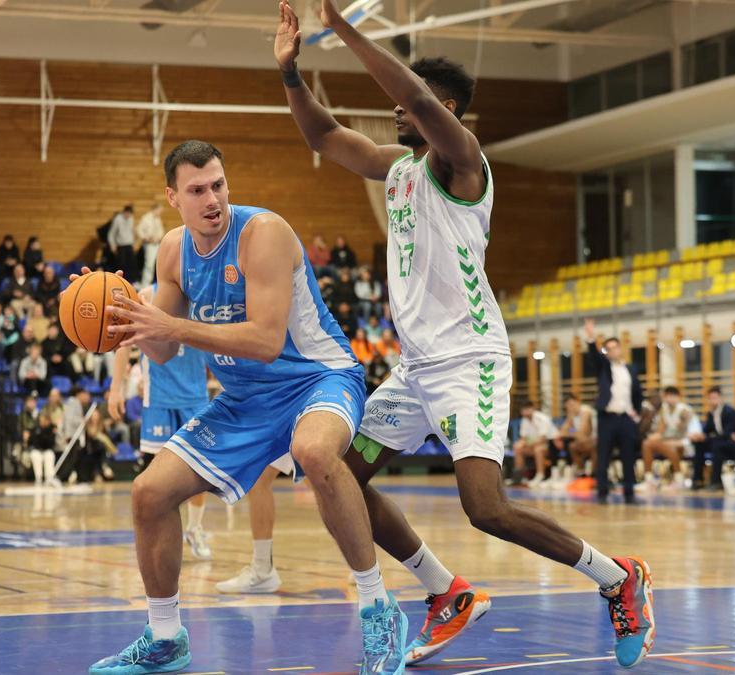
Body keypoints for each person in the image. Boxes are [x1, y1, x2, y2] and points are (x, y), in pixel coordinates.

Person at [277, 2, 654, 668]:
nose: (396, 112)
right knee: (341, 474)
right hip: (415, 369)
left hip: (470, 362)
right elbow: (324, 136)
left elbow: (415, 96)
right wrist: (289, 72)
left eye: (414, 105)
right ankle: (443, 589)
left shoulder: (464, 165)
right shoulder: (396, 171)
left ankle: (618, 576)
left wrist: (342, 26)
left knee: (486, 507)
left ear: (445, 110)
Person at [86, 138, 399, 675]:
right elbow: (162, 349)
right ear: (172, 197)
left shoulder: (263, 233)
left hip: (316, 378)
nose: (213, 199)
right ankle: (165, 637)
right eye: (197, 190)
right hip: (246, 400)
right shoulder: (171, 251)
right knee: (149, 493)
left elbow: (266, 341)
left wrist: (171, 325)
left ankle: (377, 606)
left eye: (219, 185)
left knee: (315, 451)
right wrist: (125, 319)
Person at [109, 283, 286, 579]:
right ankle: (163, 535)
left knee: (197, 474)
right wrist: (116, 387)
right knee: (157, 478)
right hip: (160, 396)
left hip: (194, 394)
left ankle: (195, 527)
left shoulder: (206, 297)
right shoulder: (147, 297)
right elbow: (125, 342)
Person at [584, 319, 645, 502]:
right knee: (604, 455)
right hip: (607, 418)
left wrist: (637, 412)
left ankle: (629, 492)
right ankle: (602, 492)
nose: (612, 351)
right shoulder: (604, 367)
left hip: (626, 418)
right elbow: (594, 357)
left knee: (628, 456)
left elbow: (637, 392)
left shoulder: (630, 369)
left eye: (614, 347)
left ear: (620, 348)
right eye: (608, 348)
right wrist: (590, 338)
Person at [693, 386, 735, 493]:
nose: (713, 401)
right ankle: (698, 479)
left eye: (715, 398)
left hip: (733, 443)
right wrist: (701, 436)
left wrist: (707, 437)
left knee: (717, 446)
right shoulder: (711, 414)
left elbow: (727, 433)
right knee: (699, 444)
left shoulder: (730, 412)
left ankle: (715, 482)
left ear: (721, 398)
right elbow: (708, 430)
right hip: (719, 441)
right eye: (711, 398)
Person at [513, 401, 557, 485]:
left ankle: (540, 475)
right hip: (533, 445)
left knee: (538, 449)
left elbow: (542, 439)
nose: (525, 412)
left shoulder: (542, 418)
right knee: (518, 448)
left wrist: (527, 443)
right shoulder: (524, 420)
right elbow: (523, 438)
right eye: (523, 410)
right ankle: (520, 477)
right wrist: (519, 444)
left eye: (527, 409)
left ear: (533, 408)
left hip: (550, 446)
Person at [555, 394, 596, 479]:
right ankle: (581, 472)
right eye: (568, 406)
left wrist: (570, 432)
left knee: (592, 446)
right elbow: (562, 431)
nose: (571, 408)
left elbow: (583, 432)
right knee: (572, 446)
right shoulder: (572, 414)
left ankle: (594, 474)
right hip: (584, 441)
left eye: (572, 405)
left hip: (596, 440)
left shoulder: (585, 411)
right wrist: (572, 431)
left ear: (578, 402)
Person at [108, 205, 138, 283]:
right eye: (127, 214)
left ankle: (131, 282)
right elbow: (112, 233)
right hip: (121, 246)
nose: (128, 216)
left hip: (129, 245)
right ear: (124, 212)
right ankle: (119, 281)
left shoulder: (131, 218)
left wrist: (134, 242)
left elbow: (132, 231)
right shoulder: (118, 219)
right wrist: (112, 245)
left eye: (130, 214)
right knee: (121, 265)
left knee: (132, 265)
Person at [137, 202, 165, 286]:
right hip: (149, 245)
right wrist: (145, 238)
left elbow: (161, 231)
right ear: (155, 209)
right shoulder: (146, 218)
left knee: (158, 264)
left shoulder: (158, 219)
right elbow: (139, 230)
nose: (160, 212)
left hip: (157, 244)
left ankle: (154, 284)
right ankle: (145, 285)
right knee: (149, 265)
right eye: (159, 210)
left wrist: (160, 237)